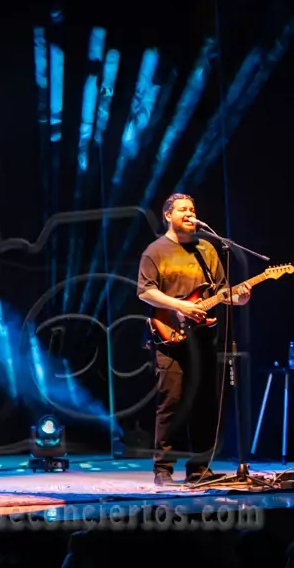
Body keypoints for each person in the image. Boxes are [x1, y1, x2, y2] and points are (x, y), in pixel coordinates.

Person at [137, 193, 250, 486]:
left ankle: (199, 468)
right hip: (169, 336)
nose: (189, 214)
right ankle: (163, 469)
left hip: (203, 337)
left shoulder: (207, 249)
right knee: (171, 402)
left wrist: (238, 297)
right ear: (168, 215)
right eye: (182, 210)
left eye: (192, 209)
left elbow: (222, 291)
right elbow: (145, 291)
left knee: (205, 403)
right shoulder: (155, 251)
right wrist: (180, 306)